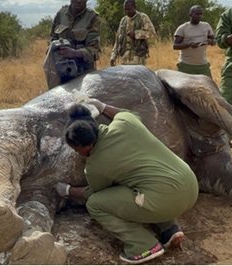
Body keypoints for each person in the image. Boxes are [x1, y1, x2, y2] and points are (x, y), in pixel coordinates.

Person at [55, 101, 199, 264]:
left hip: (164, 200)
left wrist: (68, 190)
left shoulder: (95, 165)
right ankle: (169, 229)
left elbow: (95, 193)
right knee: (143, 182)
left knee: (96, 204)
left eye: (76, 150)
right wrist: (102, 106)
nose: (77, 153)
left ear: (86, 146)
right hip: (190, 185)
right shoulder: (125, 123)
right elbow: (124, 112)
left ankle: (144, 246)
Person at [46, 0, 101, 88]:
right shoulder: (61, 14)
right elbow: (53, 37)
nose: (78, 1)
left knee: (83, 101)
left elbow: (94, 48)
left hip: (84, 74)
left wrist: (74, 53)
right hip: (61, 71)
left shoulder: (93, 18)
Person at [173, 5, 216, 78]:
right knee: (184, 88)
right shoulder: (183, 28)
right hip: (186, 65)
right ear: (190, 15)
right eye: (197, 14)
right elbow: (175, 46)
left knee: (207, 87)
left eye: (201, 14)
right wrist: (189, 44)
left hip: (203, 64)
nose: (199, 16)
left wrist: (211, 41)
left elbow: (214, 40)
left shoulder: (206, 26)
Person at [110, 0, 156, 66]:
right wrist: (113, 57)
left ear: (135, 7)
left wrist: (136, 34)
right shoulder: (123, 21)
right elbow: (117, 40)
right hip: (124, 60)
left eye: (129, 9)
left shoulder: (142, 17)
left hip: (138, 59)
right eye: (125, 9)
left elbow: (152, 34)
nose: (127, 11)